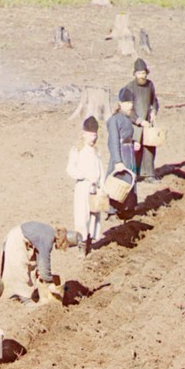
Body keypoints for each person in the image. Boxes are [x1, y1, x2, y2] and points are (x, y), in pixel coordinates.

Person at [0, 221, 80, 301]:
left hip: (20, 235)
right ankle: (25, 299)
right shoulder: (48, 238)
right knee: (21, 268)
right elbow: (44, 262)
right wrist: (49, 282)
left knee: (31, 266)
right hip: (17, 238)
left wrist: (40, 272)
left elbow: (39, 256)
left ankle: (21, 294)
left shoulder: (49, 233)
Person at [66, 116, 105, 252]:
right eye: (90, 135)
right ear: (84, 134)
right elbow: (70, 168)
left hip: (94, 188)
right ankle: (81, 245)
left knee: (93, 216)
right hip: (83, 187)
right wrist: (82, 176)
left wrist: (101, 186)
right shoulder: (77, 150)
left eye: (95, 135)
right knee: (82, 217)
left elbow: (100, 169)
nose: (93, 138)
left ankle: (89, 242)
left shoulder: (96, 151)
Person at [125, 59, 161, 181]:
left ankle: (149, 174)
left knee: (149, 148)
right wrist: (139, 121)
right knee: (134, 151)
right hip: (134, 125)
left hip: (147, 123)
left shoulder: (150, 85)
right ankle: (133, 175)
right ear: (135, 74)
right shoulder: (129, 88)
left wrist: (154, 111)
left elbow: (154, 101)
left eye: (144, 73)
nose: (142, 76)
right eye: (139, 73)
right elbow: (127, 109)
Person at [104, 87, 139, 216]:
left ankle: (127, 207)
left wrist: (134, 142)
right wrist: (117, 161)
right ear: (120, 104)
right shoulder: (114, 120)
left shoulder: (128, 118)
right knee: (118, 181)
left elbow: (127, 136)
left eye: (131, 102)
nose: (130, 105)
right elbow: (113, 141)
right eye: (127, 103)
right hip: (120, 154)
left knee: (129, 180)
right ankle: (113, 210)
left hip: (129, 154)